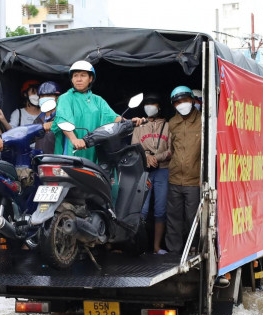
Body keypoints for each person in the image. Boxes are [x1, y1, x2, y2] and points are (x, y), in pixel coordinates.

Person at [52, 60, 143, 163]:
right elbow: (63, 120)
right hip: (74, 148)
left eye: (83, 75)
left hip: (94, 147)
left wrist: (130, 121)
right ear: (72, 79)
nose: (79, 79)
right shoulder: (65, 98)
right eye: (75, 76)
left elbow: (112, 117)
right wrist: (74, 140)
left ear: (90, 78)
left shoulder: (98, 100)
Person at [131, 93, 172, 254]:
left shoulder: (168, 126)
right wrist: (146, 157)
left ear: (159, 107)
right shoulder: (140, 127)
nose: (150, 107)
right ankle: (139, 246)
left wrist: (156, 157)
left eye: (153, 104)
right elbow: (134, 148)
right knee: (142, 210)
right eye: (147, 104)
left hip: (163, 170)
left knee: (160, 210)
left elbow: (171, 150)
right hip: (144, 171)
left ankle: (156, 247)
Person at [165, 85, 201, 254]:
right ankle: (173, 252)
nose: (182, 104)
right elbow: (171, 148)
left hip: (195, 180)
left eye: (185, 100)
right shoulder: (172, 123)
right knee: (173, 218)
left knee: (192, 218)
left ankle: (193, 249)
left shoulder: (203, 120)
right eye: (178, 102)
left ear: (193, 100)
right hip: (174, 178)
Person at [33, 81, 62, 154]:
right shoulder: (38, 119)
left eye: (48, 95)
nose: (44, 98)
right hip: (40, 160)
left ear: (57, 98)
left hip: (57, 160)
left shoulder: (62, 117)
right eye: (42, 96)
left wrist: (54, 124)